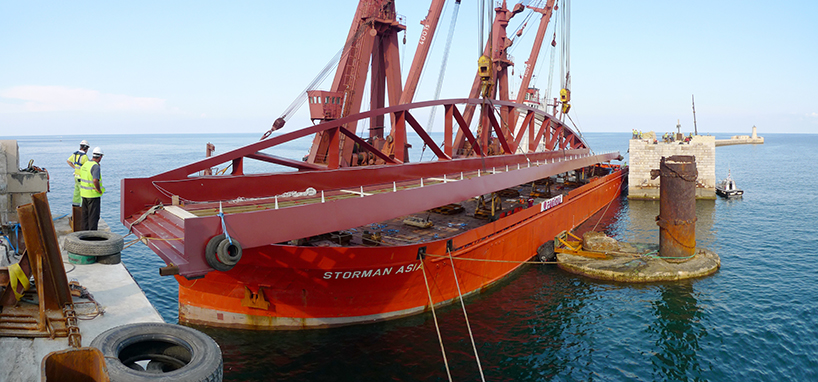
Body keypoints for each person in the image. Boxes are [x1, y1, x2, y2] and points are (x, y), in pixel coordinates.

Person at [79, 147, 105, 230]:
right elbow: (95, 180)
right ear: (100, 157)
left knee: (85, 217)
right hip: (93, 195)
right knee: (93, 217)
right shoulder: (95, 167)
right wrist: (98, 190)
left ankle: (84, 235)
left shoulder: (86, 164)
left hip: (84, 194)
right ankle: (92, 237)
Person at [66, 140, 90, 207]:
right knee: (83, 192)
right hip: (82, 177)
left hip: (76, 176)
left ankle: (75, 206)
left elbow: (68, 161)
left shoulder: (75, 154)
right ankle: (83, 208)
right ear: (86, 148)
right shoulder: (85, 157)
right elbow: (88, 167)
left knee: (76, 192)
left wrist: (75, 168)